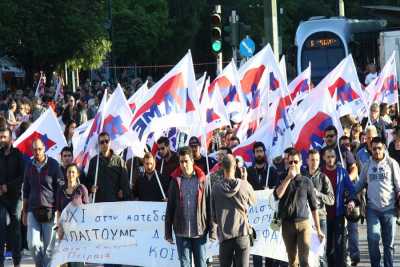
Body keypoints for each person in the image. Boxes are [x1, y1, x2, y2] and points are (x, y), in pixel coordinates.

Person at [165, 146, 216, 267]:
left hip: (199, 231)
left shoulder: (203, 180)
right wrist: (167, 232)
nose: (183, 164)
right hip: (181, 232)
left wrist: (213, 230)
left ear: (192, 161)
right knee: (184, 264)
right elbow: (170, 207)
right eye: (181, 161)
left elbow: (210, 206)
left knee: (201, 264)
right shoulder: (174, 181)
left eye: (186, 161)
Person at [353, 137, 400, 267]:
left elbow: (399, 185)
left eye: (379, 148)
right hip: (373, 210)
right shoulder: (367, 165)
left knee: (388, 245)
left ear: (384, 148)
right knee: (373, 240)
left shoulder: (392, 164)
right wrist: (348, 192)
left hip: (389, 210)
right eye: (374, 149)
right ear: (371, 149)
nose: (377, 151)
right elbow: (360, 184)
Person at [274, 149, 324, 267]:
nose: (293, 165)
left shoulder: (306, 181)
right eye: (290, 162)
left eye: (295, 162)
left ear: (301, 162)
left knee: (304, 260)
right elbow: (277, 195)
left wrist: (318, 229)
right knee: (292, 260)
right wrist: (288, 178)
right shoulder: (281, 177)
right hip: (287, 224)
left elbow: (313, 206)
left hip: (303, 224)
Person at [22, 139, 63, 267]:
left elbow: (60, 187)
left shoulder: (54, 164)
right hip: (32, 210)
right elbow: (26, 189)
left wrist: (58, 210)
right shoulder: (29, 165)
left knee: (49, 248)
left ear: (44, 148)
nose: (37, 152)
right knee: (32, 243)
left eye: (39, 149)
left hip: (50, 210)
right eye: (34, 149)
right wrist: (24, 211)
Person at [212, 154, 256, 267]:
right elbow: (253, 201)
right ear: (235, 167)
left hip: (225, 236)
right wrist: (245, 180)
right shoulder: (244, 185)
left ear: (222, 167)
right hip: (242, 234)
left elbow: (214, 217)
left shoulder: (216, 188)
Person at [246, 142, 281, 267]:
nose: (259, 153)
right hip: (256, 215)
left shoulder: (272, 170)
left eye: (261, 151)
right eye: (257, 151)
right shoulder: (248, 171)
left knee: (269, 247)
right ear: (254, 154)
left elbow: (277, 190)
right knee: (256, 248)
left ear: (264, 152)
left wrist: (269, 190)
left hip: (271, 214)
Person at [321, 147, 356, 267]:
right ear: (324, 158)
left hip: (339, 214)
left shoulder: (342, 172)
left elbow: (352, 190)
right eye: (328, 157)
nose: (330, 159)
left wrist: (351, 201)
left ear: (336, 158)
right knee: (328, 247)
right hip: (323, 216)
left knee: (340, 246)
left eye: (333, 156)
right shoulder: (320, 173)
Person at [55, 163, 89, 267]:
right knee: (64, 262)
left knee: (76, 261)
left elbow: (87, 210)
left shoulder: (81, 189)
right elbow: (59, 211)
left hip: (78, 231)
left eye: (73, 172)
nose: (71, 174)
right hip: (64, 229)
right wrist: (59, 227)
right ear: (66, 174)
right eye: (69, 172)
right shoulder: (61, 190)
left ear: (77, 174)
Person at [305, 149, 334, 267]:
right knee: (306, 254)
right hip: (305, 219)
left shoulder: (323, 178)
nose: (314, 162)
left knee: (320, 254)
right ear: (307, 161)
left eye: (316, 160)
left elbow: (331, 199)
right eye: (312, 160)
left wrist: (318, 194)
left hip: (320, 218)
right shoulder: (302, 177)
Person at [0, 127, 24, 267]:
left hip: (15, 198)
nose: (2, 140)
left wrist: (8, 186)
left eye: (4, 137)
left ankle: (16, 262)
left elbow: (23, 176)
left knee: (15, 231)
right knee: (0, 227)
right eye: (1, 137)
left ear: (11, 138)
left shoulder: (18, 155)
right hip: (1, 199)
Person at [87, 132, 130, 204]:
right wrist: (91, 188)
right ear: (99, 144)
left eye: (107, 141)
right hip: (99, 204)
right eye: (102, 142)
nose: (104, 144)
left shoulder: (119, 161)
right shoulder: (94, 161)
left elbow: (125, 183)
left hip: (116, 203)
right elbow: (88, 181)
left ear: (110, 142)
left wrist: (123, 191)